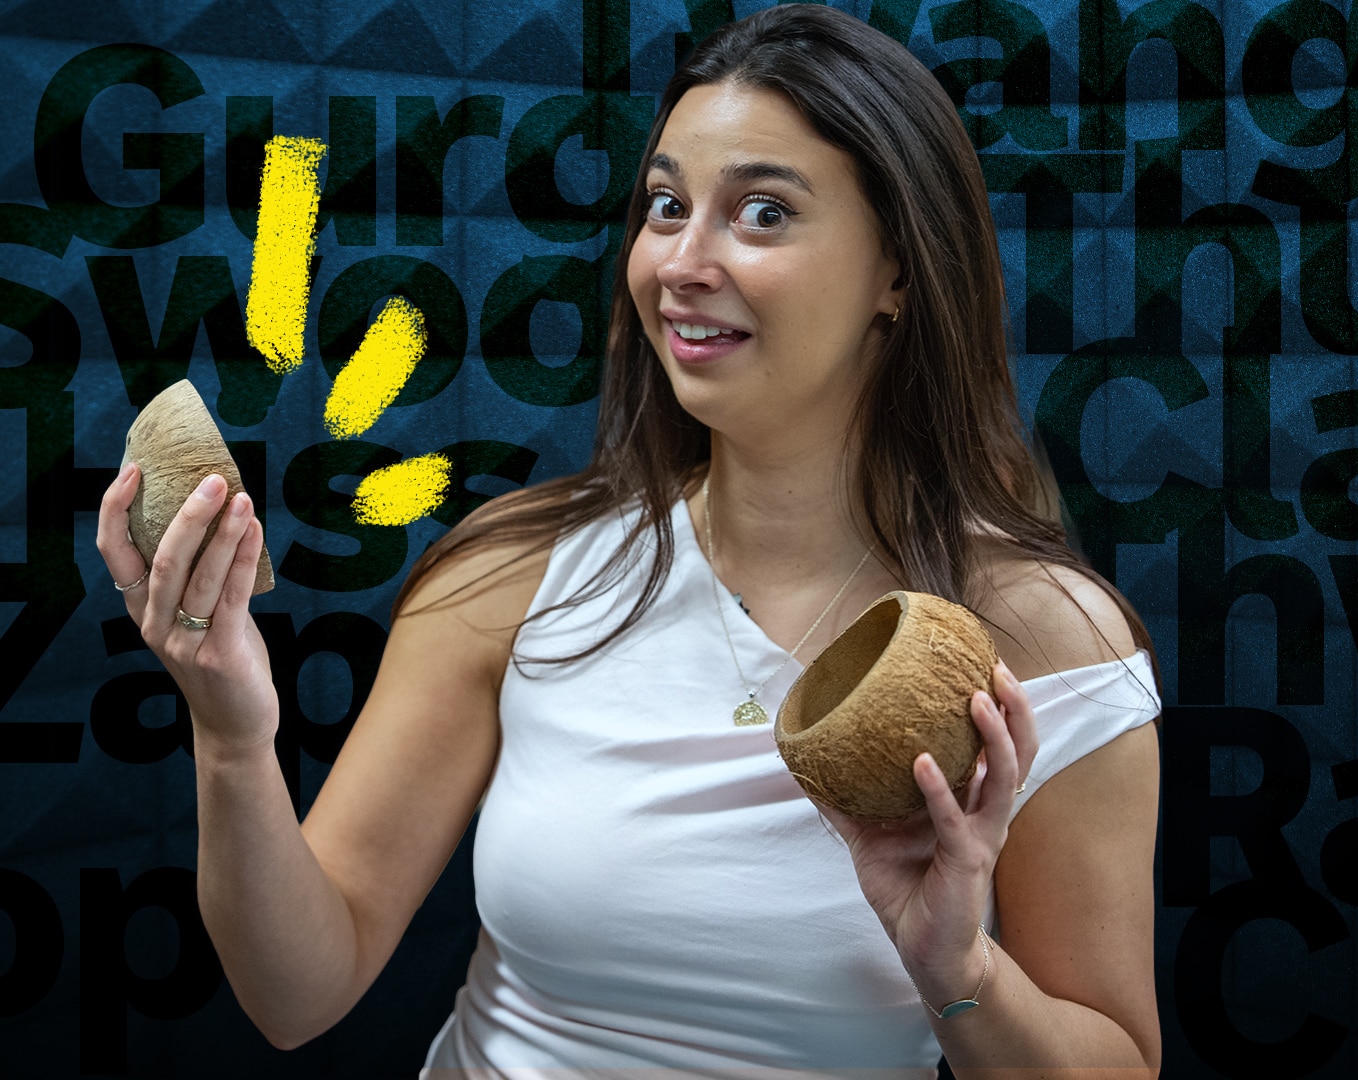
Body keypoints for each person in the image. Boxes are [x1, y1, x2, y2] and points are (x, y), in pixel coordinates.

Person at [95, 6, 1161, 1076]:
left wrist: (959, 971)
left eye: (762, 213)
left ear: (898, 269)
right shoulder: (511, 572)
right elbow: (296, 995)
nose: (682, 262)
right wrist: (233, 733)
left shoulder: (1043, 637)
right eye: (665, 205)